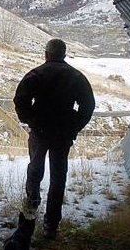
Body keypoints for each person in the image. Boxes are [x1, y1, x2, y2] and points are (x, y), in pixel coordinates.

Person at [13, 39, 95, 239]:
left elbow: (20, 99)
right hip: (62, 134)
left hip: (40, 131)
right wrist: (74, 125)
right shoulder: (76, 76)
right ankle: (51, 226)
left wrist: (29, 118)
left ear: (46, 54)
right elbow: (88, 105)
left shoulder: (37, 74)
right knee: (58, 177)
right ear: (64, 54)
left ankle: (30, 213)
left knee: (35, 170)